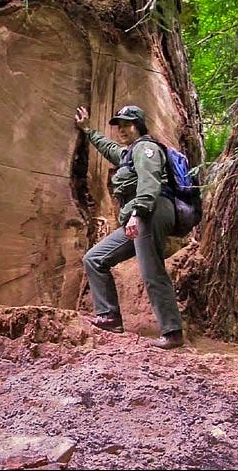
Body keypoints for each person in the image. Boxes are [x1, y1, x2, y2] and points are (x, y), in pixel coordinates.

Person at [74, 104, 184, 350]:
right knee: (95, 258)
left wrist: (137, 213)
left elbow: (150, 183)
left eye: (127, 124)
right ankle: (109, 317)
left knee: (151, 270)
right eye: (119, 126)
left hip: (151, 212)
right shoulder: (129, 153)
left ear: (139, 125)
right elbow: (110, 149)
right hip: (140, 215)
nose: (122, 130)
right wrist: (88, 130)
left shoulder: (146, 148)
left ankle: (173, 332)